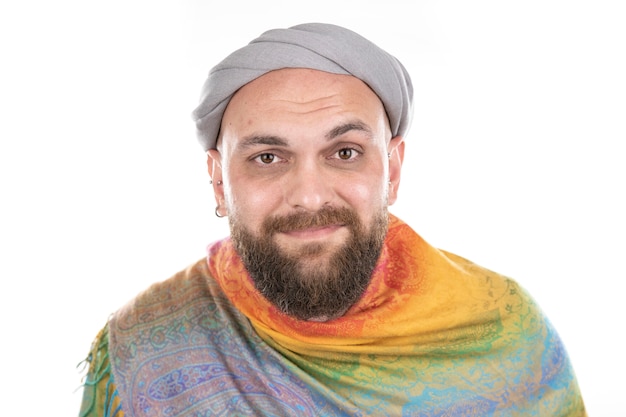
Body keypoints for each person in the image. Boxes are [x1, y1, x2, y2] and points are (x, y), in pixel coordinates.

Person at [78, 23, 586, 416]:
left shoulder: (503, 332)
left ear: (392, 170)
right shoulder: (146, 342)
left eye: (344, 152)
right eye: (268, 158)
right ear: (218, 182)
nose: (309, 196)